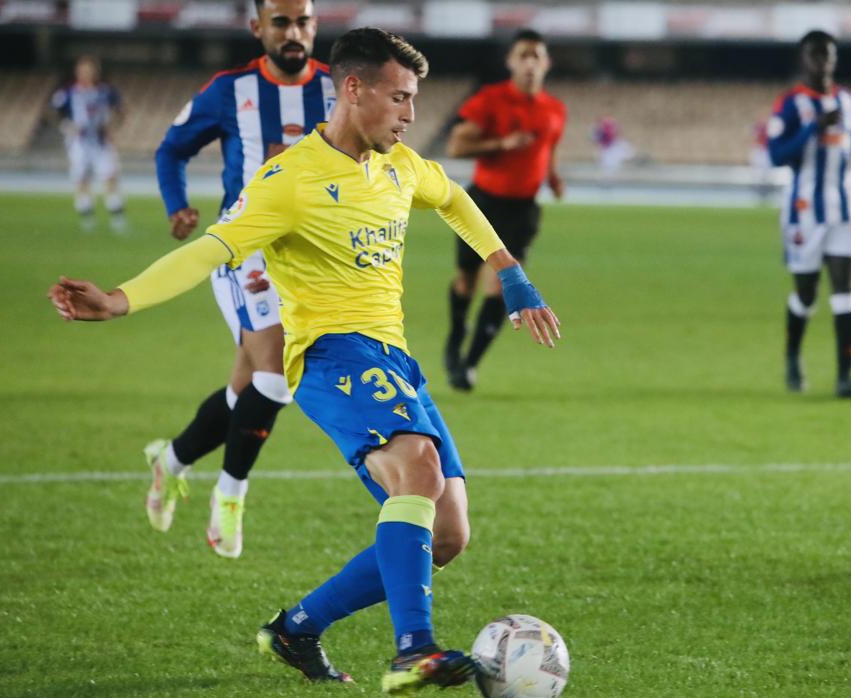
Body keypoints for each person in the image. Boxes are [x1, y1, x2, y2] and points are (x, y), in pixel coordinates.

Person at [49, 27, 561, 694]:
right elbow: (212, 249)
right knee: (419, 468)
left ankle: (294, 628)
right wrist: (122, 299)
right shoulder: (289, 181)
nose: (410, 115)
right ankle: (413, 648)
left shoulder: (398, 164)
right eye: (400, 98)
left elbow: (455, 198)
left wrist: (509, 271)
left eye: (414, 100)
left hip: (394, 358)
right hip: (328, 355)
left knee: (447, 533)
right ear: (352, 90)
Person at [147, 0, 335, 558]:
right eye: (281, 22)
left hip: (307, 256)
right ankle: (230, 496)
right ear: (258, 29)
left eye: (302, 21)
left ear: (315, 26)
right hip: (242, 248)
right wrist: (178, 204)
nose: (293, 32)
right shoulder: (229, 91)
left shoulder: (338, 89)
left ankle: (171, 460)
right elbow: (171, 148)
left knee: (244, 391)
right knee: (277, 374)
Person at [442, 29, 566, 392]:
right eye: (523, 55)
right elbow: (455, 145)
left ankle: (468, 364)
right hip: (483, 204)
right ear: (511, 62)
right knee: (466, 280)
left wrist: (554, 177)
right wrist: (501, 143)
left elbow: (549, 150)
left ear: (546, 64)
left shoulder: (555, 110)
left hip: (523, 209)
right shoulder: (489, 100)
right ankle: (455, 337)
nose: (530, 63)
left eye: (536, 56)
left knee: (500, 285)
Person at [766, 30, 851, 399]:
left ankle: (845, 377)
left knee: (846, 287)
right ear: (803, 59)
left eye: (828, 55)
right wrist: (811, 129)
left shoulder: (846, 102)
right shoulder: (789, 104)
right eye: (815, 55)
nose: (822, 62)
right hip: (803, 212)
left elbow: (844, 146)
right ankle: (791, 356)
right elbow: (777, 155)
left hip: (845, 209)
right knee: (806, 293)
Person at [51, 55, 125, 232]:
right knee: (81, 179)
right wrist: (66, 126)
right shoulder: (68, 92)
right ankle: (88, 220)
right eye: (83, 70)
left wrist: (112, 127)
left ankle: (117, 220)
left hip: (101, 141)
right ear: (77, 71)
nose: (86, 73)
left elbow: (121, 111)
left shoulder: (106, 91)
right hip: (79, 142)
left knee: (110, 177)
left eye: (90, 70)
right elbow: (53, 111)